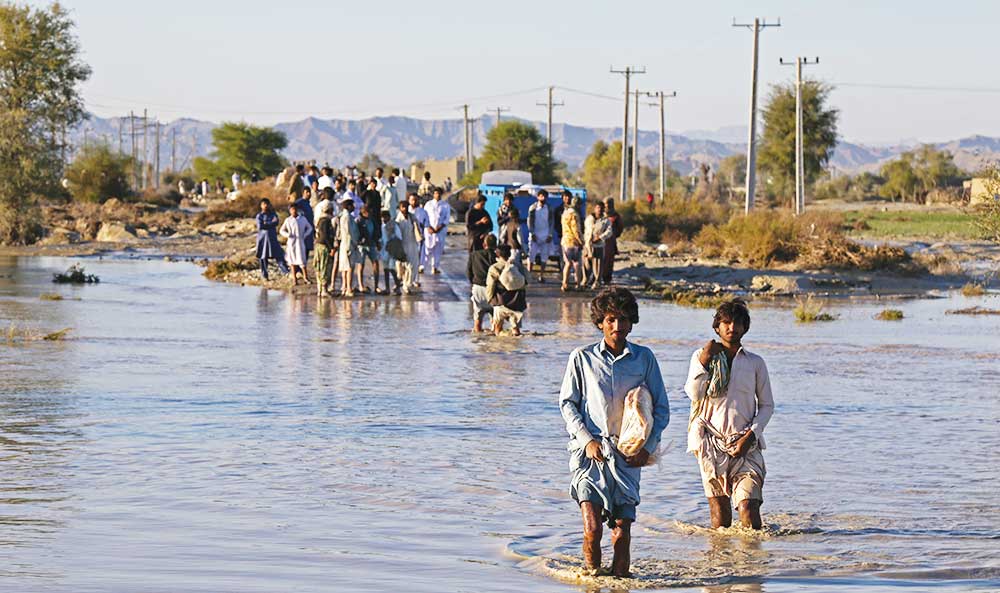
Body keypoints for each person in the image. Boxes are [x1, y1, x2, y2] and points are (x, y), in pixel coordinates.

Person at [559, 287, 670, 577]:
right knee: (592, 530)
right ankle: (592, 579)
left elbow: (661, 410)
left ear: (631, 322)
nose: (617, 326)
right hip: (590, 457)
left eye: (622, 319)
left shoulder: (644, 359)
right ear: (600, 322)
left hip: (628, 457)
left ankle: (621, 581)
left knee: (621, 534)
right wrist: (587, 441)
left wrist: (647, 449)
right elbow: (568, 404)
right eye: (610, 319)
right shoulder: (581, 358)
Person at [684, 299, 773, 530]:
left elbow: (766, 406)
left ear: (745, 328)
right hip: (711, 444)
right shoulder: (702, 356)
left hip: (746, 444)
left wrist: (750, 436)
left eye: (737, 323)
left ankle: (754, 563)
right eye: (726, 322)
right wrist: (705, 358)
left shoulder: (755, 363)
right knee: (720, 518)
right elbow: (694, 394)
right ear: (717, 327)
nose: (732, 327)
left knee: (748, 509)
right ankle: (722, 565)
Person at [486, 244, 526, 336]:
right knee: (516, 330)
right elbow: (526, 281)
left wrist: (489, 299)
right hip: (517, 302)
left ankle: (500, 348)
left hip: (501, 302)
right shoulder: (517, 266)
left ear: (497, 255)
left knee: (497, 329)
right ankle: (516, 348)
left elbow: (490, 285)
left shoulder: (494, 267)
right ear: (509, 254)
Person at [467, 233, 497, 332]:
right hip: (493, 290)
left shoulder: (474, 255)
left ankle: (478, 341)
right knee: (495, 319)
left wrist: (473, 282)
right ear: (496, 245)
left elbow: (469, 273)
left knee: (478, 319)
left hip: (478, 288)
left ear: (484, 244)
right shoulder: (497, 257)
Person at [255, 199, 289, 280]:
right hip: (263, 240)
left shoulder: (273, 214)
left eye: (267, 204)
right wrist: (270, 224)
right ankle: (265, 275)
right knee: (263, 258)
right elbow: (260, 226)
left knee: (279, 256)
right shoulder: (259, 216)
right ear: (261, 205)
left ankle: (286, 272)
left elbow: (276, 222)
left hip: (272, 239)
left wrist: (266, 224)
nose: (265, 206)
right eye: (263, 204)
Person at [280, 203, 313, 286]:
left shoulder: (302, 219)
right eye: (291, 210)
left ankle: (306, 277)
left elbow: (310, 228)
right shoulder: (288, 220)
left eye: (294, 209)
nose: (293, 211)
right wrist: (288, 235)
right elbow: (281, 230)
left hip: (300, 242)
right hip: (291, 243)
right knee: (292, 261)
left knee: (302, 260)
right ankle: (294, 279)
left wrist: (304, 235)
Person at [527, 189, 555, 283]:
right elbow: (529, 222)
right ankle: (528, 275)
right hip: (535, 236)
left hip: (546, 235)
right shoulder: (533, 208)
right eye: (541, 196)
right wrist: (532, 233)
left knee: (544, 257)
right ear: (537, 197)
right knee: (531, 255)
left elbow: (551, 222)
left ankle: (541, 275)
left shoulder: (550, 208)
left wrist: (550, 234)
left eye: (545, 196)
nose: (543, 198)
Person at [583, 202, 612, 290]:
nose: (599, 210)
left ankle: (597, 282)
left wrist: (600, 237)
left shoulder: (606, 220)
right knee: (586, 265)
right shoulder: (589, 218)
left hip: (598, 246)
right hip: (588, 245)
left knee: (598, 266)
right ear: (595, 208)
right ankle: (584, 281)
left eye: (601, 208)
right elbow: (585, 230)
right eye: (598, 207)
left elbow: (609, 232)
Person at [337, 197, 362, 297]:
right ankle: (348, 288)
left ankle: (345, 287)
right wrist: (355, 242)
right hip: (348, 243)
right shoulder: (346, 217)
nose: (354, 207)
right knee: (349, 267)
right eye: (352, 205)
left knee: (345, 267)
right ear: (348, 206)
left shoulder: (346, 216)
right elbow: (349, 232)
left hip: (346, 243)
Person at [423, 187, 450, 274]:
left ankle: (435, 267)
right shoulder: (428, 204)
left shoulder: (445, 205)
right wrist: (428, 227)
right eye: (435, 193)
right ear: (433, 194)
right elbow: (425, 216)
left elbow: (447, 218)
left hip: (440, 230)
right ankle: (423, 266)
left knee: (438, 250)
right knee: (427, 249)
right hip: (429, 230)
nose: (437, 195)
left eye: (438, 193)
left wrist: (440, 227)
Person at [395, 201, 420, 294]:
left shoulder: (412, 217)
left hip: (412, 244)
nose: (404, 209)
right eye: (402, 207)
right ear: (400, 208)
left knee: (412, 266)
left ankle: (407, 285)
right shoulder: (398, 220)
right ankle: (400, 283)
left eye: (406, 207)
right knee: (401, 267)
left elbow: (418, 229)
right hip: (402, 245)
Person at [561, 195, 584, 291]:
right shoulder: (574, 214)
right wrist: (581, 241)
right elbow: (576, 230)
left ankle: (564, 284)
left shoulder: (565, 213)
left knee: (567, 263)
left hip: (565, 241)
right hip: (574, 242)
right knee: (577, 263)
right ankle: (578, 284)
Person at [357, 205, 382, 293]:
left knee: (375, 263)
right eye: (367, 212)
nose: (369, 214)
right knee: (361, 264)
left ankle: (376, 286)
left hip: (372, 244)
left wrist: (378, 242)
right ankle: (361, 285)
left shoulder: (373, 220)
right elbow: (357, 233)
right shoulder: (359, 221)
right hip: (362, 245)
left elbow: (377, 231)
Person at [313, 201, 336, 297]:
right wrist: (331, 248)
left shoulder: (320, 221)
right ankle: (324, 290)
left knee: (319, 268)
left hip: (318, 246)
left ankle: (320, 290)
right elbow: (325, 236)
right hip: (324, 247)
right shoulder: (326, 221)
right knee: (325, 268)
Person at [601, 198, 624, 285]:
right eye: (606, 204)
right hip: (599, 241)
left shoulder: (616, 216)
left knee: (609, 261)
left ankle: (607, 278)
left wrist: (613, 235)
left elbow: (620, 228)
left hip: (610, 242)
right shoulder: (600, 214)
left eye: (609, 204)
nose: (607, 206)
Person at [408, 193, 429, 278]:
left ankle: (415, 278)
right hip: (407, 237)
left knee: (417, 258)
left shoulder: (423, 212)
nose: (414, 202)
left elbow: (426, 224)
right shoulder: (406, 210)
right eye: (412, 200)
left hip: (418, 238)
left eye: (416, 200)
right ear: (409, 200)